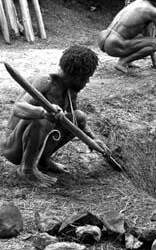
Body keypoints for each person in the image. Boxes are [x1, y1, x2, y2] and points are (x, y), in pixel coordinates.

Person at [1, 45, 106, 187]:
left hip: (36, 142)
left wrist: (92, 139)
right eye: (86, 78)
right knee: (40, 120)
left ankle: (43, 159)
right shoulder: (46, 81)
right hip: (13, 146)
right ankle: (26, 169)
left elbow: (75, 120)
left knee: (79, 117)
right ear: (76, 76)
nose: (87, 82)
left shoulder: (70, 89)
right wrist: (43, 112)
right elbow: (18, 108)